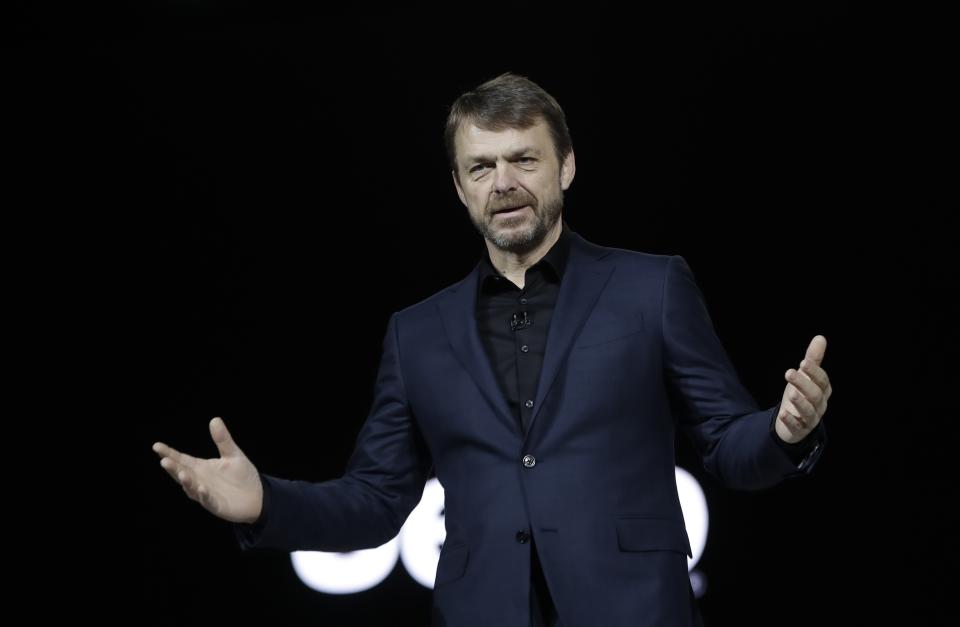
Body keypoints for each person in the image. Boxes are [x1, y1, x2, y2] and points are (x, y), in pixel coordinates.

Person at [153, 72, 831, 627]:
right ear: (459, 186)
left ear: (565, 165)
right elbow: (377, 499)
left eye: (522, 159)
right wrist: (267, 502)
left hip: (634, 610)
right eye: (481, 166)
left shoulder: (651, 287)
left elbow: (726, 443)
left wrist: (783, 431)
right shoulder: (415, 331)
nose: (502, 182)